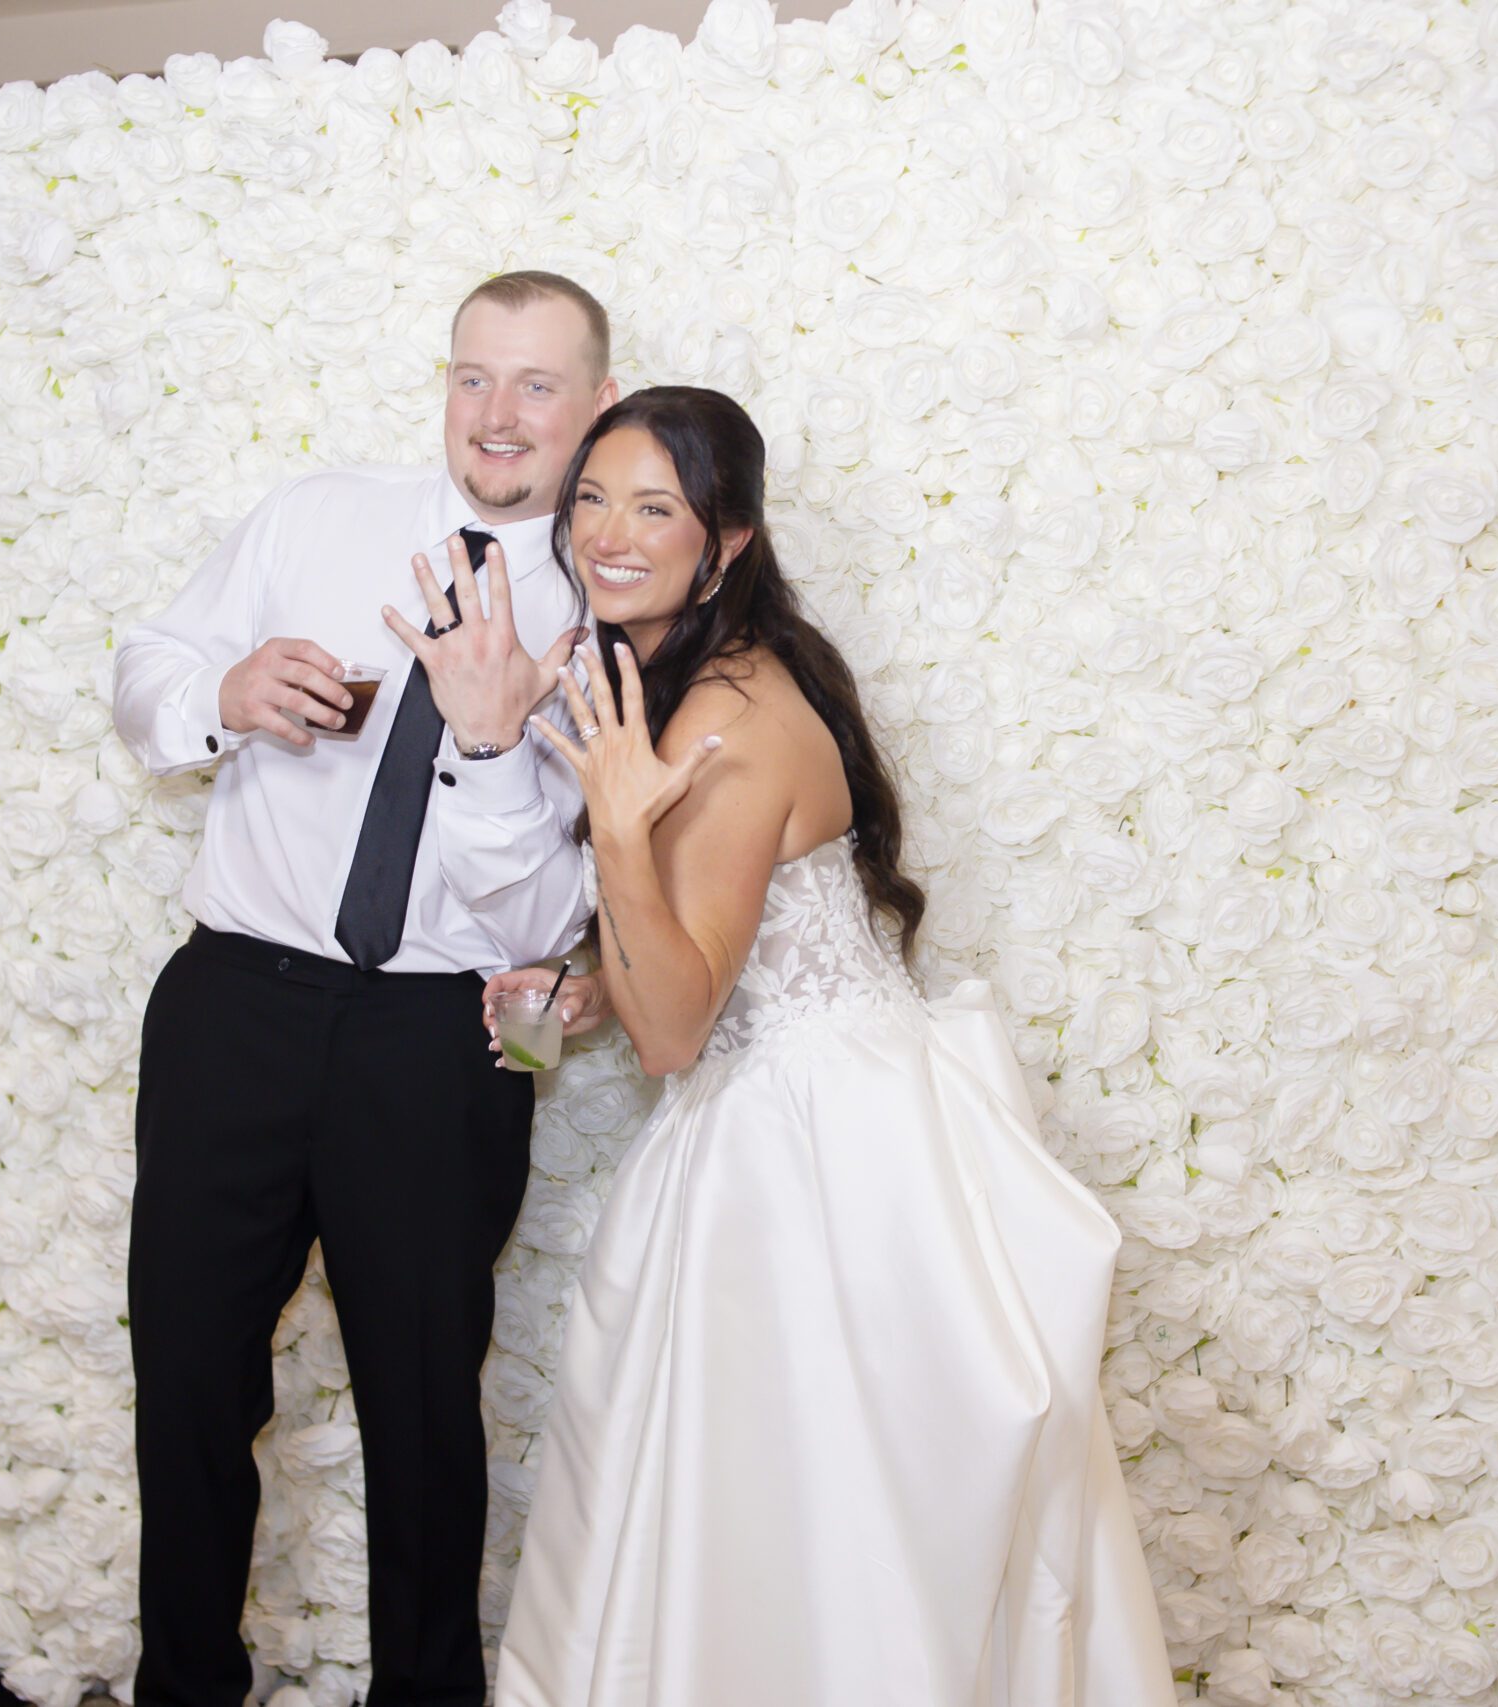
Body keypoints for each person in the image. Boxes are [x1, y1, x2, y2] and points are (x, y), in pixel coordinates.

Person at [485, 387, 1173, 1704]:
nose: (608, 536)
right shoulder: (710, 674)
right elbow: (697, 955)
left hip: (811, 1151)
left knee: (812, 1507)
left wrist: (616, 831)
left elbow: (676, 1030)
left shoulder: (727, 720)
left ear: (727, 540)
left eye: (653, 508)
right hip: (817, 1099)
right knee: (792, 1499)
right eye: (592, 500)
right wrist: (587, 987)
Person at [111, 271, 618, 1707]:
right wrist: (222, 698)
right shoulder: (314, 517)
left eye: (536, 385)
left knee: (423, 1404)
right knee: (189, 1381)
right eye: (473, 377)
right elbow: (147, 667)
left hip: (447, 1037)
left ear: (599, 403)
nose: (497, 415)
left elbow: (550, 918)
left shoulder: (616, 606)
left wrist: (493, 739)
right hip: (232, 1006)